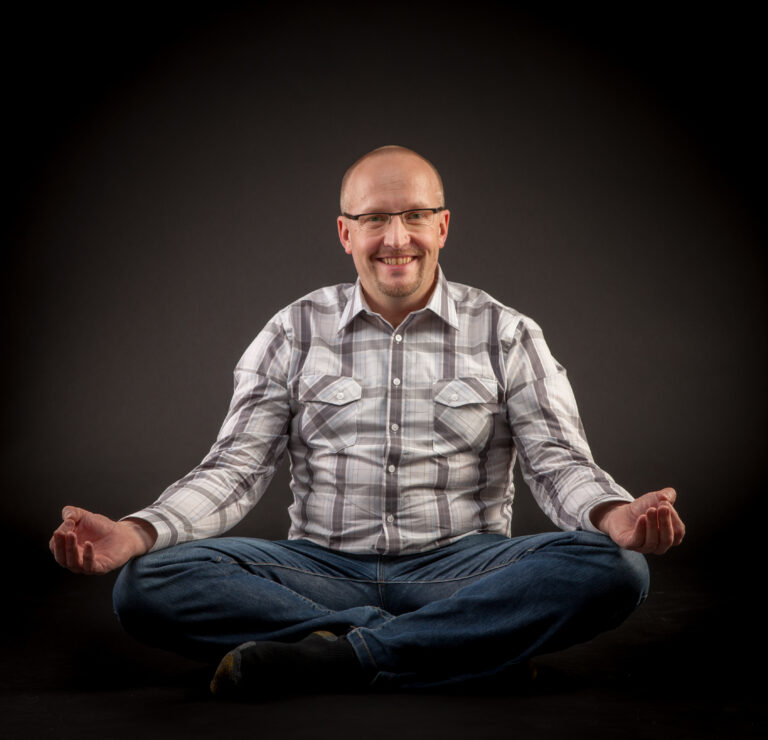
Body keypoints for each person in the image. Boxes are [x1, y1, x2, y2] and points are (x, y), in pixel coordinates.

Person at [50, 145, 685, 696]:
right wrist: (136, 532)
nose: (396, 237)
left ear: (442, 227)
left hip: (465, 573)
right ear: (344, 232)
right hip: (316, 572)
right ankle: (457, 652)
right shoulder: (292, 330)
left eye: (413, 216)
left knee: (616, 569)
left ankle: (343, 653)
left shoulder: (507, 333)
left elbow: (556, 463)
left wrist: (613, 514)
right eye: (374, 218)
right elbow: (236, 469)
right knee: (148, 581)